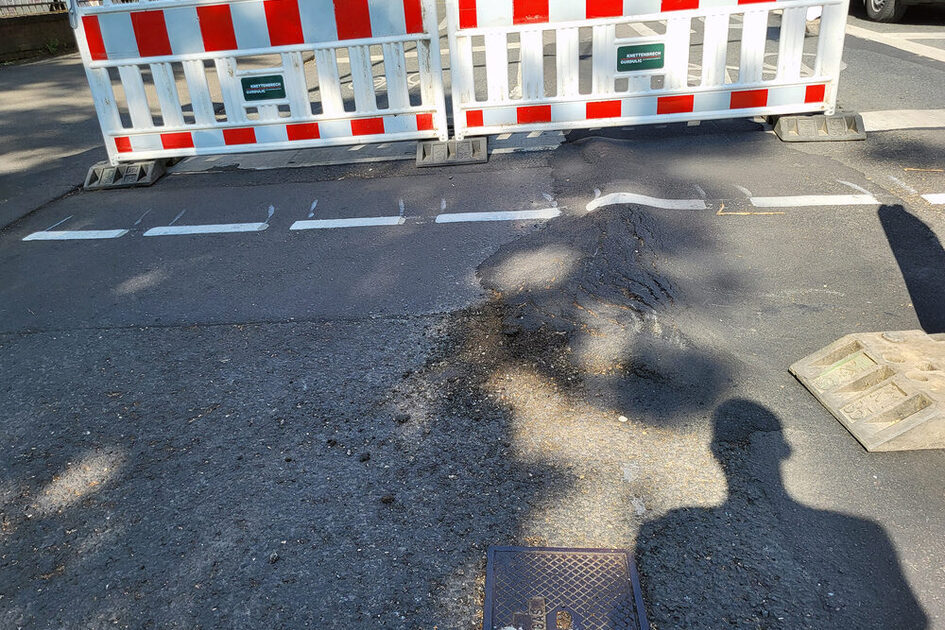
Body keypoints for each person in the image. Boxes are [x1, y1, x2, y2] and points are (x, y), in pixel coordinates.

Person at [636, 399, 927, 629]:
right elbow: (916, 619)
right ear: (785, 451)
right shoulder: (868, 531)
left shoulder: (667, 522)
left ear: (714, 451)